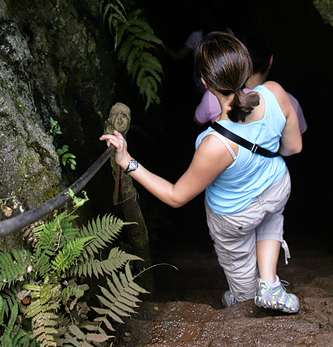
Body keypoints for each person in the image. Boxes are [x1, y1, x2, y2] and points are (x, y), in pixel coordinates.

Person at [101, 31, 302, 312]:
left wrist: (127, 161)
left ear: (205, 83)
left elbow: (175, 196)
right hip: (276, 189)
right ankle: (269, 283)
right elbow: (293, 148)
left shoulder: (214, 144)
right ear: (246, 68)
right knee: (269, 217)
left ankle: (247, 303)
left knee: (242, 289)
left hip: (235, 216)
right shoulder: (277, 93)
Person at [193, 27, 307, 134]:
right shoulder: (289, 102)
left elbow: (198, 120)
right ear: (270, 61)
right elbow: (295, 144)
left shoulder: (214, 96)